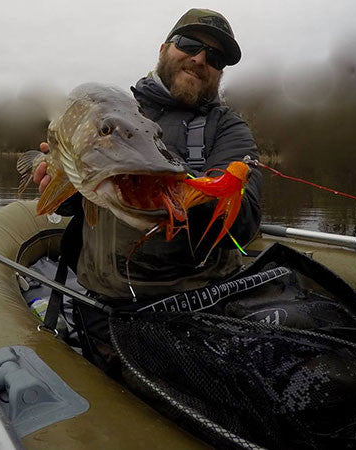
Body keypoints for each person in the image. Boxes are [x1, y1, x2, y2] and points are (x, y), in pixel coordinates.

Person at [34, 8, 262, 302]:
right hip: (106, 303)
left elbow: (244, 221)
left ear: (220, 72)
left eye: (215, 58)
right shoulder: (114, 109)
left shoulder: (230, 128)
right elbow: (84, 204)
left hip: (202, 301)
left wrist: (165, 181)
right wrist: (65, 191)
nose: (200, 59)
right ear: (164, 49)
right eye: (189, 45)